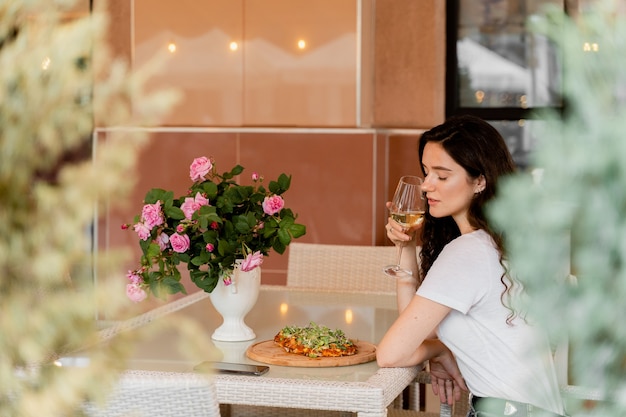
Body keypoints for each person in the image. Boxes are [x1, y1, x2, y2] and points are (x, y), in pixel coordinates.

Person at [376, 115, 565, 417]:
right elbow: (425, 330)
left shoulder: (468, 252)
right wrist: (407, 248)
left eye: (442, 175)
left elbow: (390, 353)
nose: (426, 186)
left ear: (480, 181)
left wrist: (439, 350)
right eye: (426, 172)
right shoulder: (498, 243)